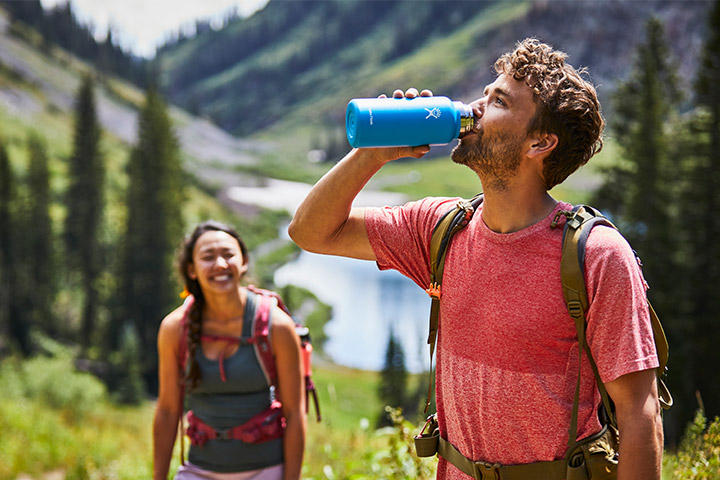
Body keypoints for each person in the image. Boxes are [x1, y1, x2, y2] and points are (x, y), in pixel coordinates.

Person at [289, 38, 663, 479]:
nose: (475, 107)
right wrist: (372, 152)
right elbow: (310, 231)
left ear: (540, 143)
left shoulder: (595, 255)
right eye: (484, 94)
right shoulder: (441, 228)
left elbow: (640, 411)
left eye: (498, 101)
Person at [153, 220, 306, 480]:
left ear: (244, 262)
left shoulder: (277, 325)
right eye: (208, 257)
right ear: (191, 269)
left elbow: (294, 414)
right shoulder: (174, 329)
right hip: (198, 471)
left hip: (267, 470)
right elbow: (168, 410)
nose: (221, 264)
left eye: (228, 254)